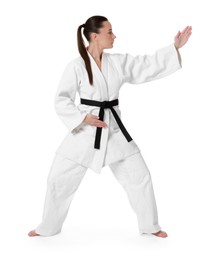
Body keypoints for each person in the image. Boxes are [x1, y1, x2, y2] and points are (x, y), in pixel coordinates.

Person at [28, 15, 192, 238]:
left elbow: (146, 64)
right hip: (84, 133)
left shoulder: (117, 63)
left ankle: (150, 226)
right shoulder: (76, 66)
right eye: (109, 32)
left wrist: (174, 47)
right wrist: (82, 118)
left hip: (113, 129)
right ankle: (48, 227)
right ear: (95, 36)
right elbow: (61, 99)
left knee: (140, 177)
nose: (114, 36)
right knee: (58, 179)